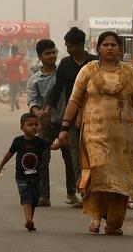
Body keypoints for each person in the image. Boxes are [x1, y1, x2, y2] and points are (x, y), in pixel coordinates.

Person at [57, 31, 133, 235]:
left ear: (120, 49)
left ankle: (114, 223)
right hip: (94, 134)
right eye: (105, 45)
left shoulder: (129, 73)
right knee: (96, 172)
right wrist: (65, 127)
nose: (110, 48)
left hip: (123, 138)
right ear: (98, 48)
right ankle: (96, 215)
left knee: (120, 179)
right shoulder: (88, 71)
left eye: (114, 45)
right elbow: (74, 100)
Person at [43, 27, 98, 207]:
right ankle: (83, 194)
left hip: (95, 118)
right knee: (76, 157)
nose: (67, 49)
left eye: (70, 46)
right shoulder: (65, 64)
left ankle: (99, 192)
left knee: (94, 156)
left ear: (81, 45)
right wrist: (48, 108)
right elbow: (58, 88)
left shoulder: (95, 63)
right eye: (66, 46)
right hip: (73, 118)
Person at [26, 39, 76, 207]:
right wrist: (38, 113)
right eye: (48, 53)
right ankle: (44, 195)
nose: (52, 56)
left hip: (66, 122)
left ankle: (72, 193)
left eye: (54, 52)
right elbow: (32, 101)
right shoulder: (34, 80)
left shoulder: (63, 72)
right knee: (42, 158)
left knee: (70, 158)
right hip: (47, 124)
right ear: (40, 57)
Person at [0, 112, 61, 232]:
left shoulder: (40, 141)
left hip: (36, 177)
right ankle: (28, 220)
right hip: (21, 177)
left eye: (36, 124)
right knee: (26, 196)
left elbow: (53, 147)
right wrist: (0, 166)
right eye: (30, 125)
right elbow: (9, 154)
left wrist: (61, 141)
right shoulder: (18, 141)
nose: (34, 127)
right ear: (22, 128)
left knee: (34, 200)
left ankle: (30, 220)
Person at [3, 45, 26, 111]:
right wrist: (18, 52)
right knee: (18, 91)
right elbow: (24, 54)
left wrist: (5, 77)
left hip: (10, 78)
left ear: (11, 52)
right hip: (17, 78)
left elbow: (6, 70)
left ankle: (12, 107)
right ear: (16, 52)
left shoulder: (8, 60)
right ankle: (16, 100)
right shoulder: (18, 59)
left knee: (11, 93)